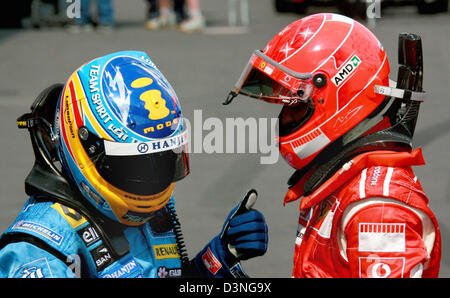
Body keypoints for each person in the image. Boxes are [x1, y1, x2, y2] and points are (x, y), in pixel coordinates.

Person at [0, 51, 268, 278]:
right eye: (135, 165)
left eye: (160, 159)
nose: (151, 176)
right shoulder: (39, 251)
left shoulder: (155, 211)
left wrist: (219, 258)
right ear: (87, 149)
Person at [224, 13, 441, 278]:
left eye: (296, 106)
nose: (285, 118)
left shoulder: (376, 209)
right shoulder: (342, 176)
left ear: (338, 97)